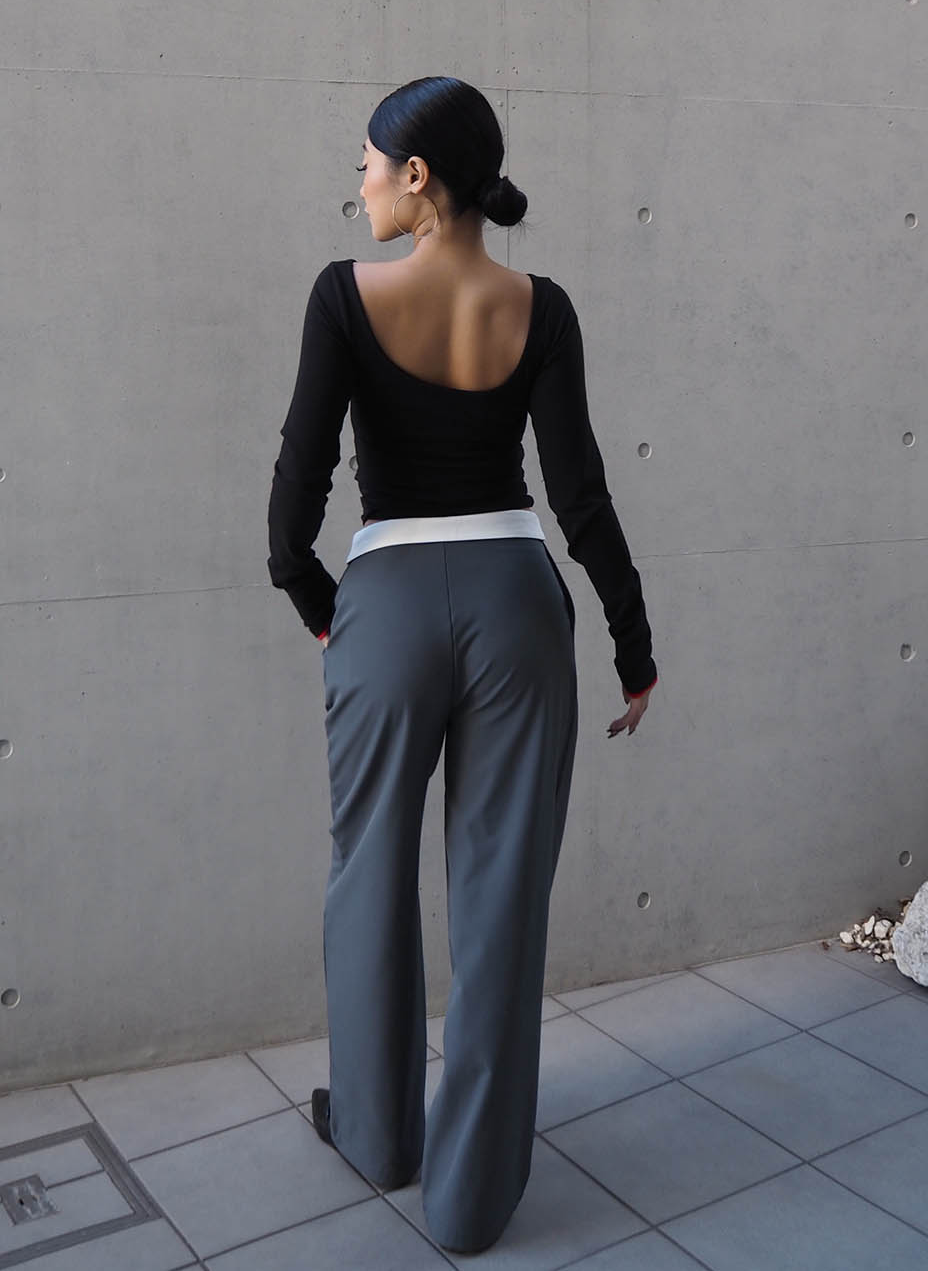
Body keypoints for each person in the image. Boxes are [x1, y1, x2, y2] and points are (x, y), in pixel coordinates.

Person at [267, 75, 657, 1255]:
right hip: (517, 605)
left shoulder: (345, 295)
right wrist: (633, 645)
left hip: (385, 602)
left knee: (367, 875)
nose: (360, 184)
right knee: (500, 899)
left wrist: (323, 604)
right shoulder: (543, 308)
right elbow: (579, 495)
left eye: (366, 163)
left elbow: (294, 500)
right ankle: (471, 1201)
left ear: (417, 174)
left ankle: (377, 1136)